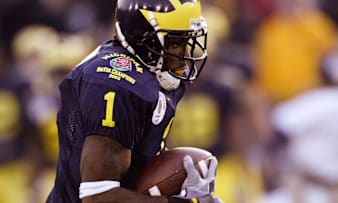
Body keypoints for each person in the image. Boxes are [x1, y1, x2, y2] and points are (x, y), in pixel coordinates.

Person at [46, 0, 222, 203]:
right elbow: (98, 197)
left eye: (188, 42)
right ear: (144, 39)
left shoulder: (156, 72)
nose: (186, 56)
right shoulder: (115, 84)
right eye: (176, 43)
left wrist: (179, 189)